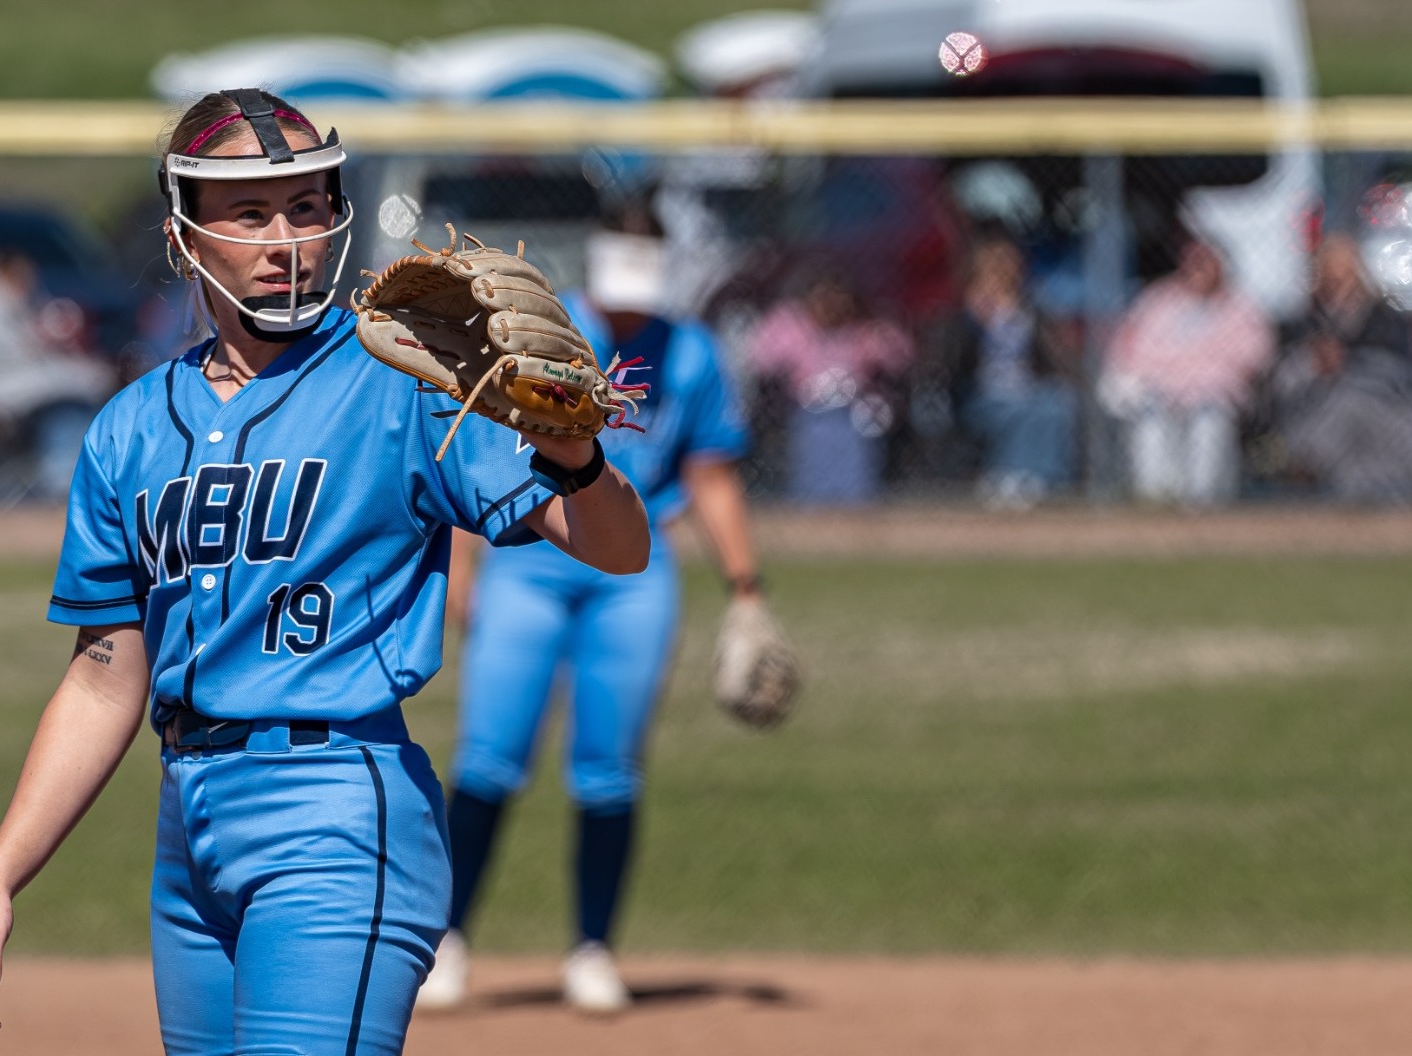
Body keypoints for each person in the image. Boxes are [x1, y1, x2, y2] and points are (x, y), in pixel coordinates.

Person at [0, 89, 649, 1056]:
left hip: (338, 813)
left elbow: (617, 546)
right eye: (252, 212)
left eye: (308, 206)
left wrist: (576, 453)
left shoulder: (403, 382)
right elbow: (105, 674)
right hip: (189, 827)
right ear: (185, 233)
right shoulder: (130, 428)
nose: (288, 239)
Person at [420, 196, 761, 1014]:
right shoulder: (548, 332)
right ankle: (449, 942)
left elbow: (711, 472)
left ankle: (593, 949)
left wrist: (746, 590)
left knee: (608, 764)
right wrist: (463, 564)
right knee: (490, 755)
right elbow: (477, 447)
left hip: (633, 574)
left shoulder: (691, 354)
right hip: (530, 560)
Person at [1267, 234, 1412, 503]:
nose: (1339, 283)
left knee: (1356, 406)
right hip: (1316, 407)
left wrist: (1349, 364)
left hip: (1382, 405)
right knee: (1342, 407)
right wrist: (1313, 364)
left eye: (1345, 274)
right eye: (1331, 274)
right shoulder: (1302, 323)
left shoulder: (1384, 318)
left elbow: (1403, 373)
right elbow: (1280, 382)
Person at [1100, 236, 1273, 506]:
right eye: (1194, 262)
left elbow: (1252, 358)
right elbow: (1129, 352)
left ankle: (1202, 500)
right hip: (1158, 390)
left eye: (1207, 262)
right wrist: (1168, 379)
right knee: (1150, 419)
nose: (1199, 269)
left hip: (1213, 393)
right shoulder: (1158, 301)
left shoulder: (1241, 309)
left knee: (1209, 417)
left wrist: (1195, 378)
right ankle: (1155, 498)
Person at [0, 251, 116, 501]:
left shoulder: (18, 305)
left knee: (78, 400)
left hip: (26, 393)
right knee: (65, 411)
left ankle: (71, 481)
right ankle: (62, 484)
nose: (29, 282)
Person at [923, 232, 1081, 508]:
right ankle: (1008, 476)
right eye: (995, 267)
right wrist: (975, 322)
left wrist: (1021, 318)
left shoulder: (1030, 309)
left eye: (1009, 267)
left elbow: (1053, 357)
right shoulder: (960, 315)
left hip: (1026, 388)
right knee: (1021, 409)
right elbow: (945, 363)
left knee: (1054, 403)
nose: (1003, 275)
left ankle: (1037, 481)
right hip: (978, 394)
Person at [747, 273, 913, 504]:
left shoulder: (861, 329)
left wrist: (874, 329)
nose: (830, 307)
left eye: (838, 300)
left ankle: (857, 501)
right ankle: (810, 500)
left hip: (854, 412)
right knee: (812, 448)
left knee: (863, 434)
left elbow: (900, 357)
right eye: (823, 300)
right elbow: (761, 360)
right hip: (808, 411)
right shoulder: (792, 326)